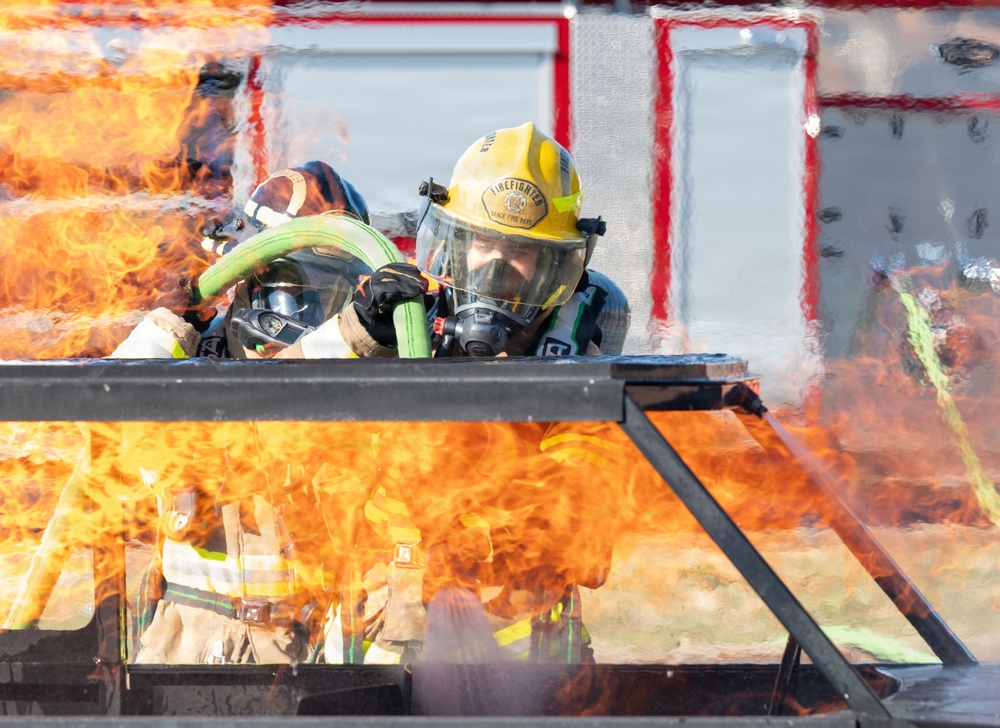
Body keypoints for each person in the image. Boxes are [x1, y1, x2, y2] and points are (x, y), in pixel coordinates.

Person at [318, 122, 631, 665]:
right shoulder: (396, 328)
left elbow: (572, 526)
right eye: (481, 243)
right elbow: (275, 443)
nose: (494, 268)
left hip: (521, 668)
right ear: (449, 244)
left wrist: (449, 489)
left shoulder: (577, 377)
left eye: (519, 254)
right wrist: (354, 333)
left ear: (557, 270)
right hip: (370, 656)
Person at [109, 161, 374, 664]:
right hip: (183, 656)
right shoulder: (188, 369)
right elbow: (115, 415)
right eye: (291, 287)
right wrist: (166, 329)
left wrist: (364, 337)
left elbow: (291, 421)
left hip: (309, 659)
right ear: (248, 273)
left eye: (327, 294)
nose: (306, 311)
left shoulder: (352, 380)